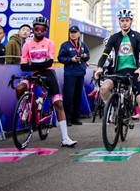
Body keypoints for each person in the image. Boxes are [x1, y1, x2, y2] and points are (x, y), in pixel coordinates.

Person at [16, 17, 77, 147]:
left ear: (45, 31)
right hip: (34, 74)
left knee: (58, 104)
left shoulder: (50, 43)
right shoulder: (27, 45)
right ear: (33, 29)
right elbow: (23, 67)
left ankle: (65, 138)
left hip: (49, 73)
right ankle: (25, 109)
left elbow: (49, 63)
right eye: (37, 28)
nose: (40, 31)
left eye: (43, 29)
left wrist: (33, 65)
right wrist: (39, 65)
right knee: (20, 88)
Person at [94, 9, 140, 148]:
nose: (124, 23)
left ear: (131, 21)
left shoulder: (137, 36)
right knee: (103, 88)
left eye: (127, 20)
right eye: (122, 21)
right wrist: (100, 67)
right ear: (119, 22)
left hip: (134, 72)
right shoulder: (114, 37)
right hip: (118, 72)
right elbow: (105, 53)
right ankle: (110, 108)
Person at [58, 25, 90, 126]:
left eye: (75, 32)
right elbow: (60, 58)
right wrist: (71, 60)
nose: (73, 34)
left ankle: (75, 117)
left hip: (80, 73)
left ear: (79, 34)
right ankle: (67, 118)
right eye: (71, 32)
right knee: (69, 97)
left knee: (78, 97)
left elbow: (88, 56)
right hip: (70, 74)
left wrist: (85, 56)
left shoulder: (83, 45)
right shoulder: (65, 45)